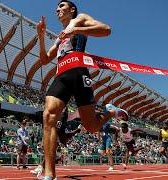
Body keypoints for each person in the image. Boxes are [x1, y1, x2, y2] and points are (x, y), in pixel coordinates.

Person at [37, 1, 129, 179]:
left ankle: (109, 112)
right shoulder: (59, 36)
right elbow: (44, 60)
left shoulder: (80, 19)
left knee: (91, 126)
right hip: (61, 74)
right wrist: (40, 36)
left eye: (62, 6)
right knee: (48, 116)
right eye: (57, 7)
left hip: (79, 72)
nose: (57, 9)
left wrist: (77, 31)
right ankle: (49, 173)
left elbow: (106, 29)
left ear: (71, 9)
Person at [30, 107, 83, 178]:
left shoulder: (61, 118)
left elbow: (58, 129)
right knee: (50, 154)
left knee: (50, 153)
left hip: (57, 136)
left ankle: (44, 170)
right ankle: (43, 169)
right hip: (58, 135)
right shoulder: (60, 118)